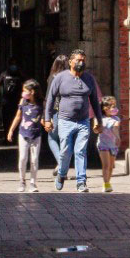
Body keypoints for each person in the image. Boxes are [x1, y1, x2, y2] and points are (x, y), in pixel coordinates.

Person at [43, 49, 103, 193]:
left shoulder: (89, 79)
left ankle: (81, 182)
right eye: (78, 60)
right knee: (65, 151)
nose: (81, 63)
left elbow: (95, 101)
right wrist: (47, 119)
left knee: (80, 151)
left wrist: (99, 120)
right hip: (65, 120)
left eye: (83, 60)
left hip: (83, 121)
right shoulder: (60, 78)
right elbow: (50, 99)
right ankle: (61, 175)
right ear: (70, 62)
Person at [5, 79, 43, 192]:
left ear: (32, 91)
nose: (23, 93)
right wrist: (11, 130)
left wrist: (48, 124)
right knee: (22, 158)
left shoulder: (41, 102)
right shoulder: (23, 102)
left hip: (36, 134)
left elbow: (44, 117)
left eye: (25, 90)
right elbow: (18, 117)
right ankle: (22, 181)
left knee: (34, 159)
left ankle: (33, 182)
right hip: (23, 133)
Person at [42, 55, 68, 169]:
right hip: (69, 111)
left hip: (56, 111)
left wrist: (45, 116)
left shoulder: (53, 77)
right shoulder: (71, 77)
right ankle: (62, 163)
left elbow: (48, 97)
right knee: (65, 139)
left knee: (52, 138)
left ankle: (61, 163)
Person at [97, 96, 121, 193]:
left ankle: (108, 182)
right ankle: (106, 184)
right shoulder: (99, 118)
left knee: (111, 166)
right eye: (112, 106)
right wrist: (97, 128)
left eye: (115, 106)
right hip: (103, 144)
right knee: (106, 165)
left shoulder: (116, 119)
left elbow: (115, 129)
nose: (115, 108)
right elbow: (96, 129)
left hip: (113, 145)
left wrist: (118, 137)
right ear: (105, 108)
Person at [0, 59, 23, 130]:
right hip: (6, 101)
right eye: (12, 64)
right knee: (6, 119)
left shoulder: (19, 74)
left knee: (15, 118)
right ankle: (6, 136)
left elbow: (25, 84)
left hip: (16, 101)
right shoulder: (4, 74)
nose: (13, 66)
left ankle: (14, 135)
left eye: (14, 64)